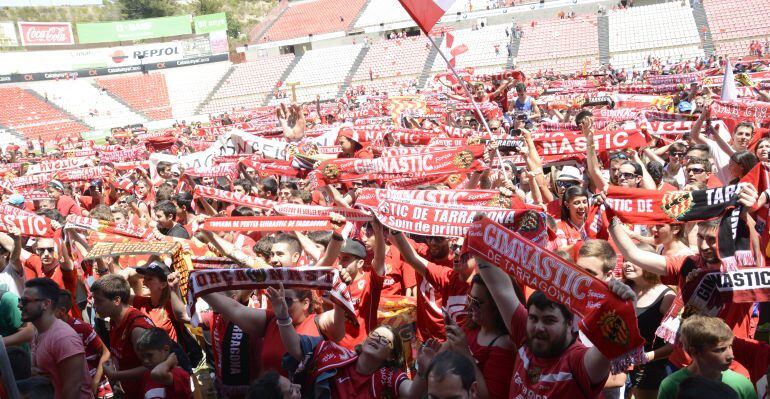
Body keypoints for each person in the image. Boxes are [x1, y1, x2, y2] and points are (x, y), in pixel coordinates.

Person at [475, 253, 637, 398]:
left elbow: (608, 346)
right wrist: (480, 232)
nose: (538, 327)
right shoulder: (526, 333)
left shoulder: (578, 362)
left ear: (569, 323)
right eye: (533, 318)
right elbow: (499, 287)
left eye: (549, 320)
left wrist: (625, 308)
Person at [20, 277, 93, 399]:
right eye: (20, 300)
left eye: (26, 301)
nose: (20, 305)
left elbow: (73, 389)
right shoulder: (39, 332)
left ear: (46, 304)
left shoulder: (63, 338)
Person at [657, 316, 757, 399]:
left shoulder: (742, 384)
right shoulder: (671, 385)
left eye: (730, 346)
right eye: (720, 350)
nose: (731, 355)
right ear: (695, 351)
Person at [622, 244, 675, 399]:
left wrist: (645, 357)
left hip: (651, 371)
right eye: (625, 260)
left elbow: (674, 344)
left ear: (649, 264)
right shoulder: (620, 289)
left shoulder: (667, 297)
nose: (627, 264)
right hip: (619, 366)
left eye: (633, 260)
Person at [91, 274, 155, 399]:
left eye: (99, 300)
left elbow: (154, 367)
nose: (94, 305)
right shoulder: (114, 321)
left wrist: (116, 375)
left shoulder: (137, 328)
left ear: (116, 300)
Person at [55, 289, 112, 398]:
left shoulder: (81, 328)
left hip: (95, 388)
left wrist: (95, 381)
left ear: (61, 311)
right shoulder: (50, 331)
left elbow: (106, 353)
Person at [134, 328, 193, 399]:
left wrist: (169, 361)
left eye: (149, 355)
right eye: (142, 356)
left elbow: (157, 373)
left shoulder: (178, 374)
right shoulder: (147, 375)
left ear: (166, 349)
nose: (145, 361)